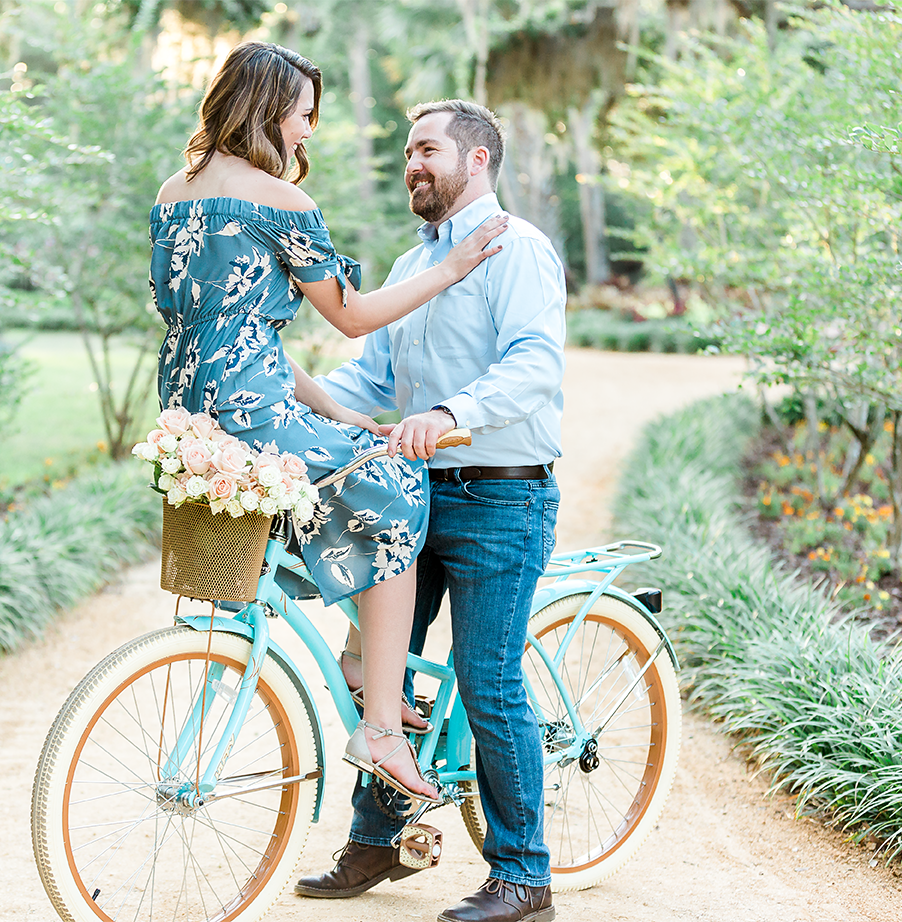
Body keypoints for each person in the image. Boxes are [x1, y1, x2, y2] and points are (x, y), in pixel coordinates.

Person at [148, 43, 507, 802]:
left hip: (190, 411)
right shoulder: (281, 203)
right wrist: (451, 269)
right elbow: (348, 317)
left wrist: (349, 414)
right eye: (305, 116)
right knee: (400, 482)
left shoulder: (170, 191)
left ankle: (353, 656)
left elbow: (234, 340)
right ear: (271, 110)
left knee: (356, 461)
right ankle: (377, 717)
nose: (307, 132)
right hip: (252, 412)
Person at [294, 99, 566, 922]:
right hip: (411, 494)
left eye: (427, 149)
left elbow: (534, 367)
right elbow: (369, 383)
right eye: (408, 151)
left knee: (486, 683)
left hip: (501, 496)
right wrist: (301, 409)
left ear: (477, 160)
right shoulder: (415, 261)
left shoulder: (519, 250)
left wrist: (449, 416)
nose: (412, 163)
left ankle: (524, 874)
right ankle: (378, 842)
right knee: (386, 676)